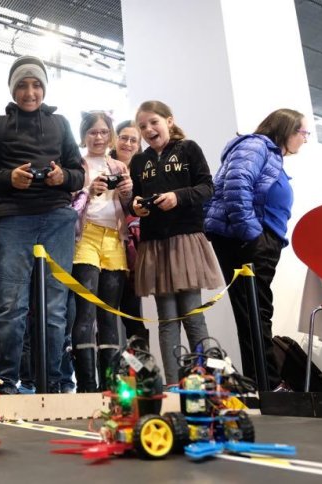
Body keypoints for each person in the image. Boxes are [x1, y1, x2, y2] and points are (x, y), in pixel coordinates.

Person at [0, 55, 85, 394]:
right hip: (12, 219)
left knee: (55, 306)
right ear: (12, 89)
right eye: (22, 85)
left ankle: (51, 381)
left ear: (44, 88)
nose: (30, 92)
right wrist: (10, 178)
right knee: (11, 304)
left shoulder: (61, 124)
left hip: (57, 219)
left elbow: (78, 174)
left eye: (36, 85)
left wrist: (63, 177)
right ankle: (4, 380)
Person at [205, 108, 308, 391]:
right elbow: (236, 186)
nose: (306, 139)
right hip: (250, 241)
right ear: (287, 129)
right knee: (255, 312)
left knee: (254, 312)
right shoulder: (256, 145)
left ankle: (261, 383)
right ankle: (268, 385)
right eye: (303, 132)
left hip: (257, 240)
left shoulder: (267, 152)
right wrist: (253, 236)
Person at [130, 100, 223, 386]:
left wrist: (177, 197)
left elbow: (207, 187)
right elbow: (135, 196)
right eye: (143, 126)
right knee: (166, 319)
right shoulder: (139, 161)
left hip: (185, 240)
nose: (148, 129)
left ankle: (207, 382)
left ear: (169, 121)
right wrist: (137, 207)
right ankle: (172, 385)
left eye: (153, 122)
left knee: (193, 316)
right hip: (155, 243)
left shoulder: (188, 149)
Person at [71, 111, 132, 392]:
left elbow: (129, 205)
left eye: (104, 132)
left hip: (114, 239)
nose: (98, 137)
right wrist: (88, 190)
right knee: (85, 312)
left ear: (111, 136)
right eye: (93, 132)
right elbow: (68, 205)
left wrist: (127, 191)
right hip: (86, 237)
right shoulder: (76, 165)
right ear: (84, 135)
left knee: (110, 312)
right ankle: (86, 385)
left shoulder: (119, 166)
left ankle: (109, 384)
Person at [110, 120, 149, 344]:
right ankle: (107, 376)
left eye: (134, 140)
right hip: (102, 245)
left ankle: (141, 375)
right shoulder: (101, 166)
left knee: (133, 313)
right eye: (124, 138)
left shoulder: (144, 173)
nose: (128, 143)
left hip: (133, 251)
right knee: (103, 316)